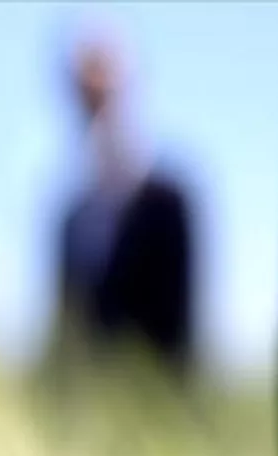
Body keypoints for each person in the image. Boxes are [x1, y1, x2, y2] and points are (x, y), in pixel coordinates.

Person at [45, 28, 200, 388]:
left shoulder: (171, 203)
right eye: (86, 99)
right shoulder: (70, 218)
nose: (97, 113)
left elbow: (183, 335)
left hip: (156, 410)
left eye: (105, 96)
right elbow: (65, 333)